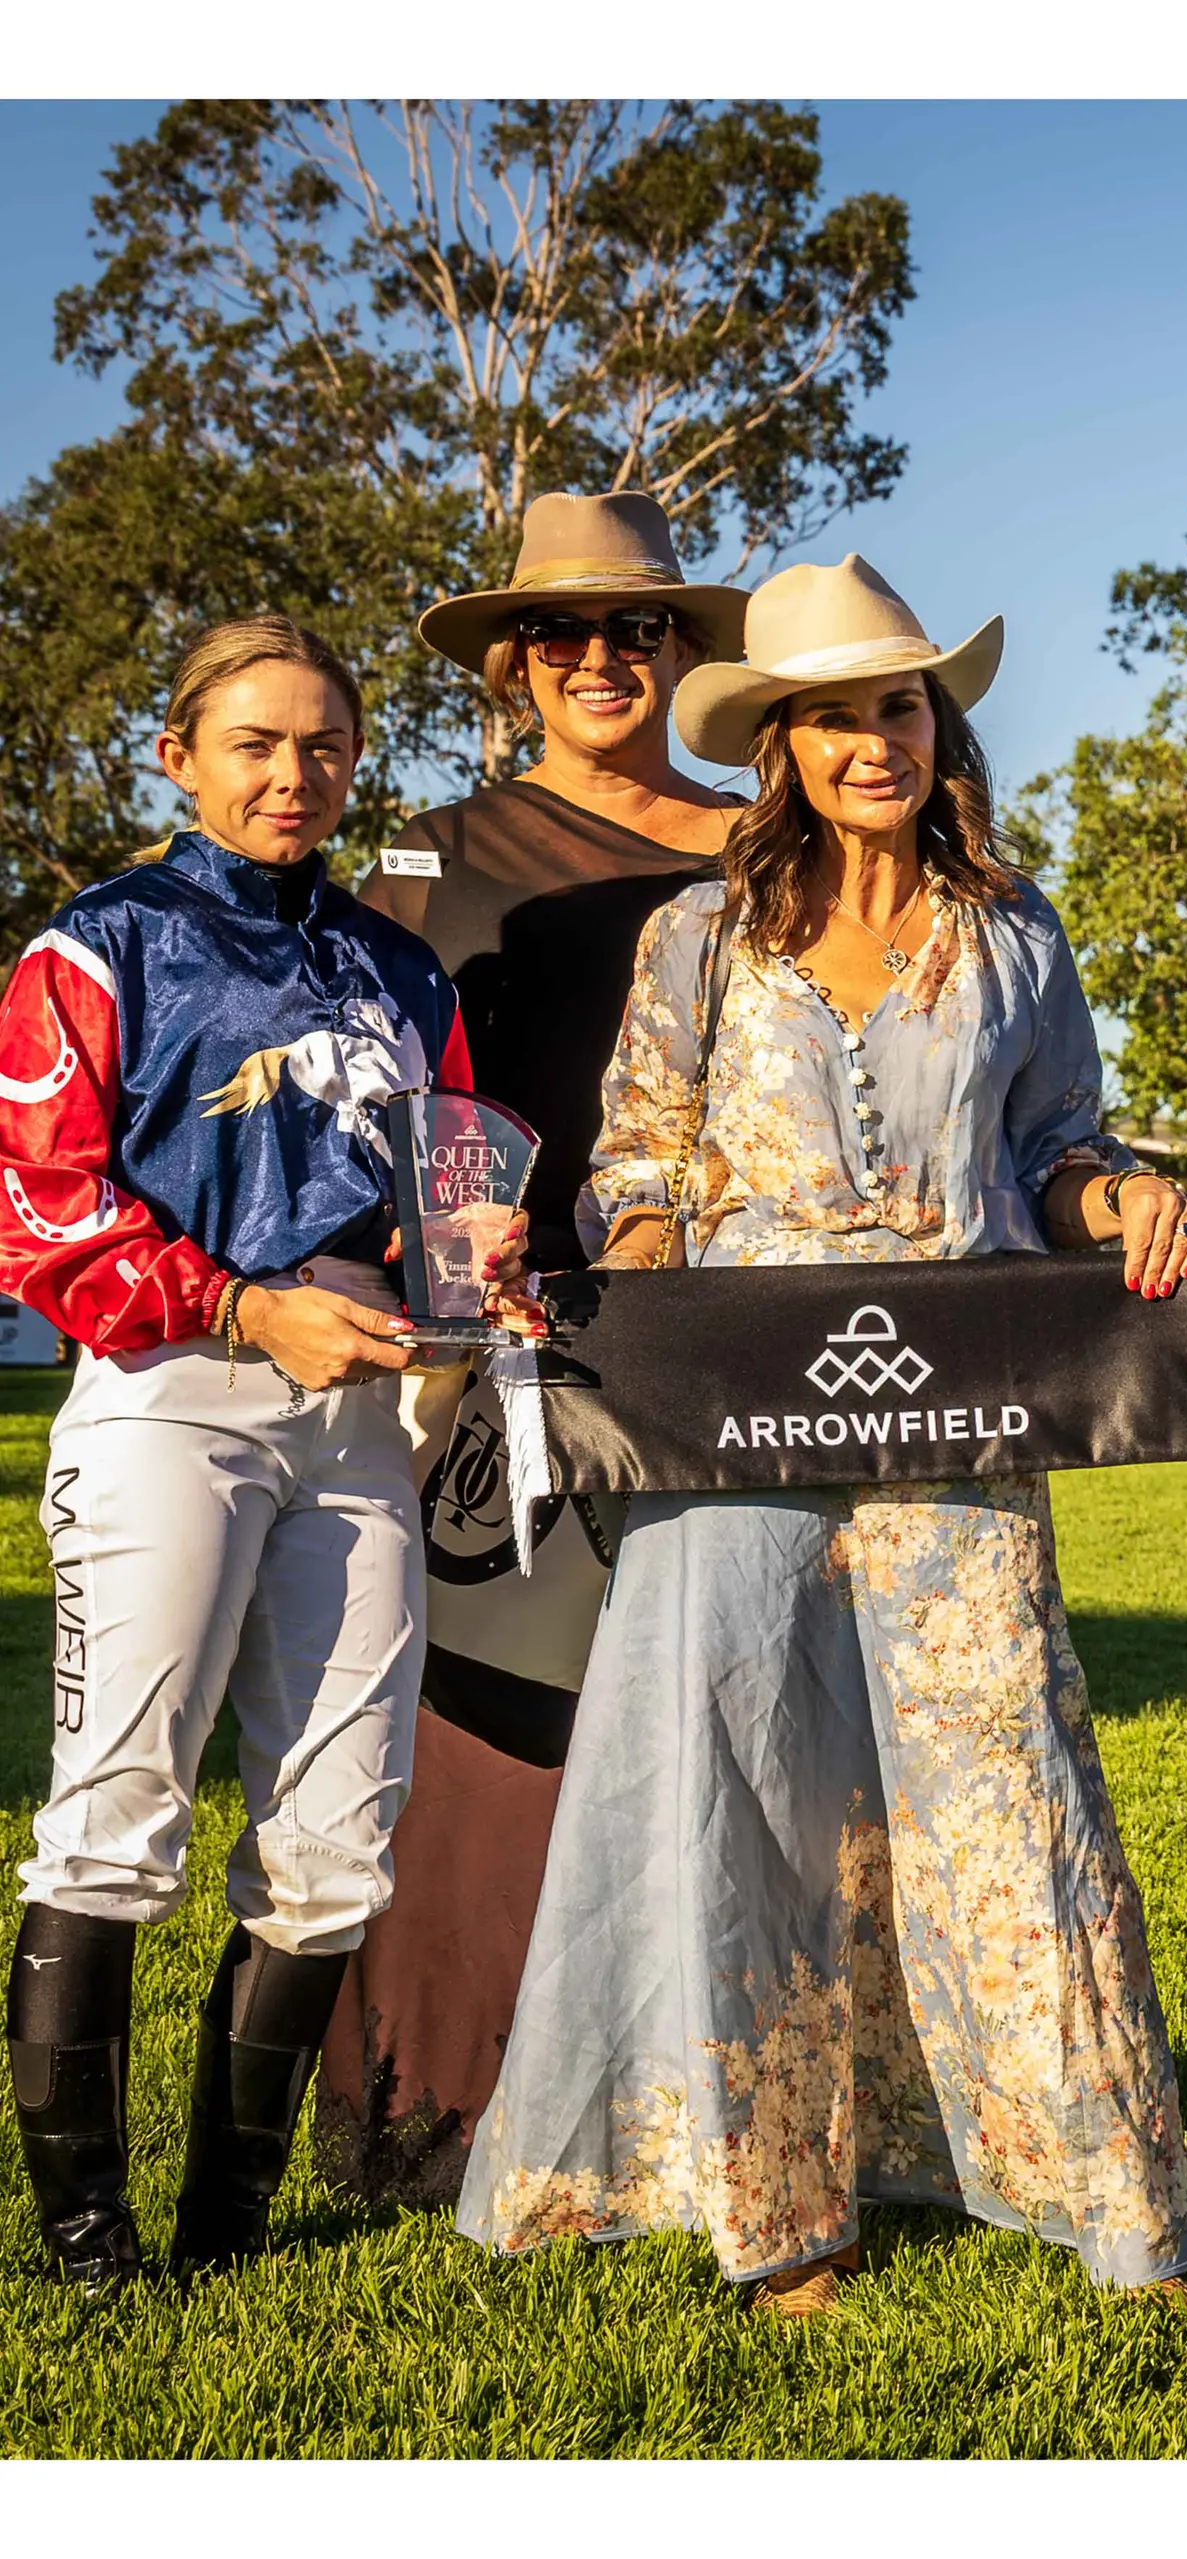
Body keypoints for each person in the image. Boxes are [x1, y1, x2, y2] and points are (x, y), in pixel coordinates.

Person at [456, 557, 1187, 2312]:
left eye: (898, 705)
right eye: (833, 716)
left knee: (1009, 1789)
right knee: (744, 1789)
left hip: (963, 1416)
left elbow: (1056, 1150)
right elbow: (635, 1164)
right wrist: (644, 1274)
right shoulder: (699, 939)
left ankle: (1111, 2202)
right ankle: (783, 2209)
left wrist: (1124, 1199)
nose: (874, 740)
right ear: (780, 745)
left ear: (937, 725)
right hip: (737, 1424)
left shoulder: (1015, 934)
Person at [1, 617, 527, 2287]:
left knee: (339, 1840)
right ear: (179, 757)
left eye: (323, 745)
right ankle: (91, 2243)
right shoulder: (97, 948)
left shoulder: (401, 971)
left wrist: (476, 1257)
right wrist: (240, 1303)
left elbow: (446, 1189)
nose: (293, 775)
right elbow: (40, 1211)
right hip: (171, 1395)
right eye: (255, 743)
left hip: (360, 1412)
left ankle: (224, 2233)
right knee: (116, 1815)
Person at [321, 491, 747, 2206]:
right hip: (498, 1353)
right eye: (557, 632)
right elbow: (364, 1102)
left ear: (679, 648)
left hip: (729, 1346)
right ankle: (440, 2112)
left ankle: (731, 2103)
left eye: (633, 627)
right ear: (513, 664)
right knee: (495, 1721)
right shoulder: (430, 856)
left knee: (730, 1716)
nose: (596, 657)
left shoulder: (762, 844)